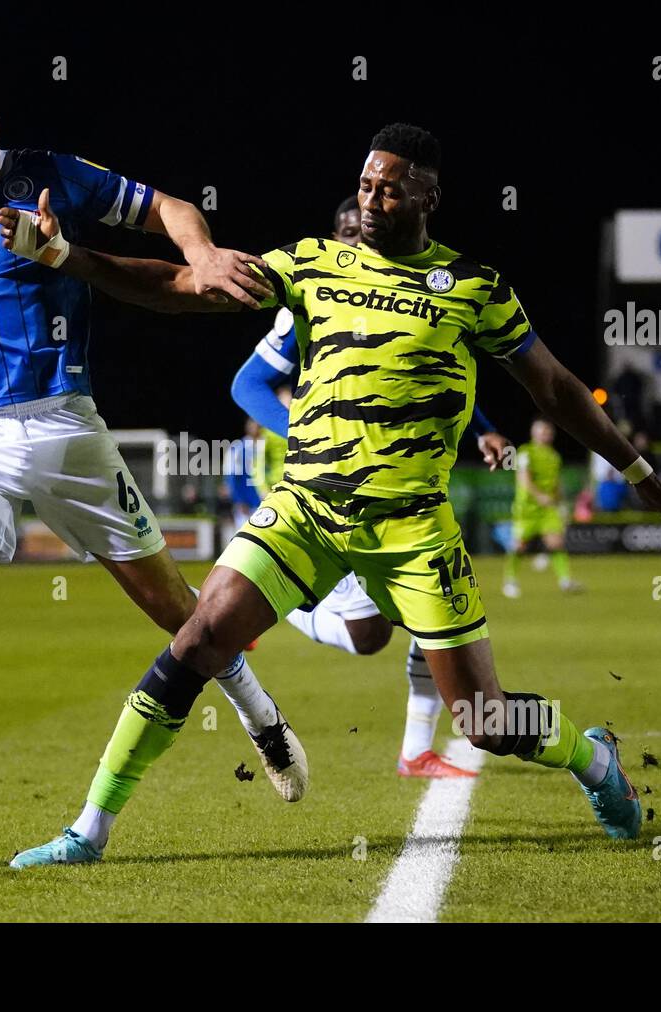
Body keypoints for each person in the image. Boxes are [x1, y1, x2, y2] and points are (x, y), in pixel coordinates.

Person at [3, 122, 661, 865]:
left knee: (482, 719)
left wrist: (638, 473)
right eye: (366, 184)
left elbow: (558, 389)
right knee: (200, 639)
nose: (372, 200)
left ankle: (593, 760)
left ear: (428, 195)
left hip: (412, 531)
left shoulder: (474, 287)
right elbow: (182, 287)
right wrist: (62, 254)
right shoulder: (310, 262)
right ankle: (89, 830)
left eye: (390, 187)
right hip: (305, 508)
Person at [0, 63, 307, 837]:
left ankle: (261, 714)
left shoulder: (54, 178)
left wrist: (202, 257)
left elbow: (167, 207)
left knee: (176, 609)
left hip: (62, 429)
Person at [230, 195, 510, 778]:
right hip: (326, 492)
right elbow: (248, 385)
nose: (364, 240)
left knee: (420, 621)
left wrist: (483, 431)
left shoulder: (411, 289)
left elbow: (437, 373)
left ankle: (416, 749)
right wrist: (308, 433)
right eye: (351, 232)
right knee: (367, 636)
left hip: (404, 488)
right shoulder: (313, 293)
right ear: (337, 236)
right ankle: (269, 611)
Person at [502, 418, 582, 599]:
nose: (545, 435)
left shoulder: (554, 456)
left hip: (548, 509)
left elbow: (556, 483)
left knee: (556, 543)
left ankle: (565, 581)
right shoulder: (525, 452)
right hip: (527, 509)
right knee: (519, 546)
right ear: (533, 433)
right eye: (541, 431)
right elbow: (524, 479)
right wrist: (540, 496)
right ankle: (510, 581)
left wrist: (561, 503)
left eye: (547, 432)